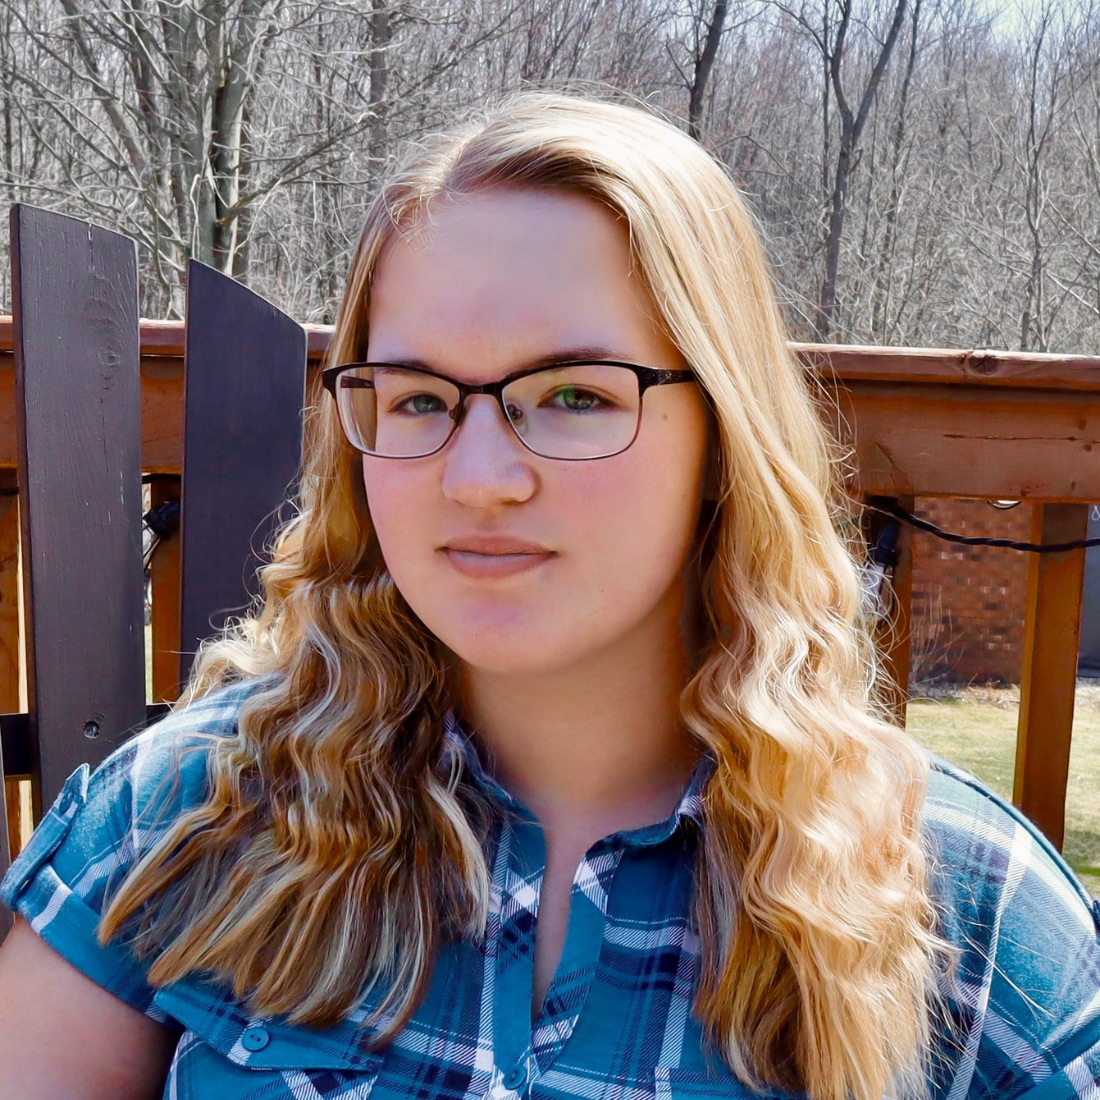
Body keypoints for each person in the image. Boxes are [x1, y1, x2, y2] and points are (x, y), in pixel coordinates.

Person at [0, 93, 1097, 1100]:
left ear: (722, 434)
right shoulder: (190, 815)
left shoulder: (966, 915)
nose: (478, 478)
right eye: (420, 396)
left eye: (572, 393)